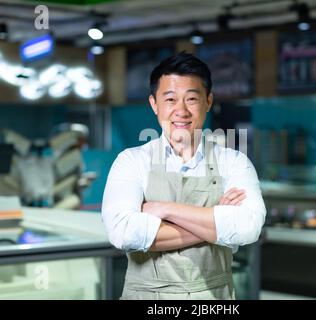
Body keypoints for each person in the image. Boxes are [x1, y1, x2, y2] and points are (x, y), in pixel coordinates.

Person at [102, 52, 266, 300]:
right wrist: (215, 224)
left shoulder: (233, 162)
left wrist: (165, 209)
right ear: (154, 104)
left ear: (208, 101)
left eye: (191, 99)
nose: (181, 110)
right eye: (170, 99)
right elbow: (122, 232)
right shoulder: (131, 161)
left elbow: (248, 227)